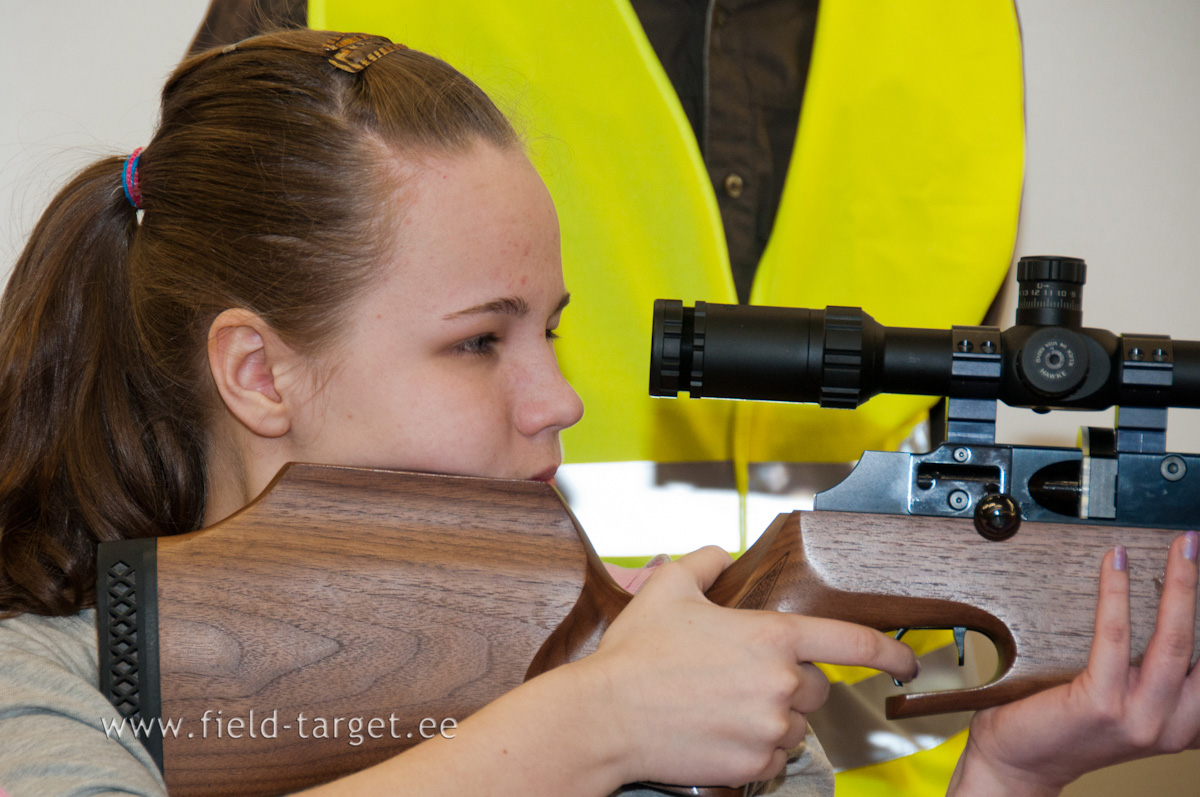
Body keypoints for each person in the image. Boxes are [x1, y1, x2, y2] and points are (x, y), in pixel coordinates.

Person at [0, 29, 1195, 797]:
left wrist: (1008, 777)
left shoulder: (656, 679)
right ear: (259, 373)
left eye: (551, 326)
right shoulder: (49, 680)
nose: (560, 394)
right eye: (480, 339)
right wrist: (596, 730)